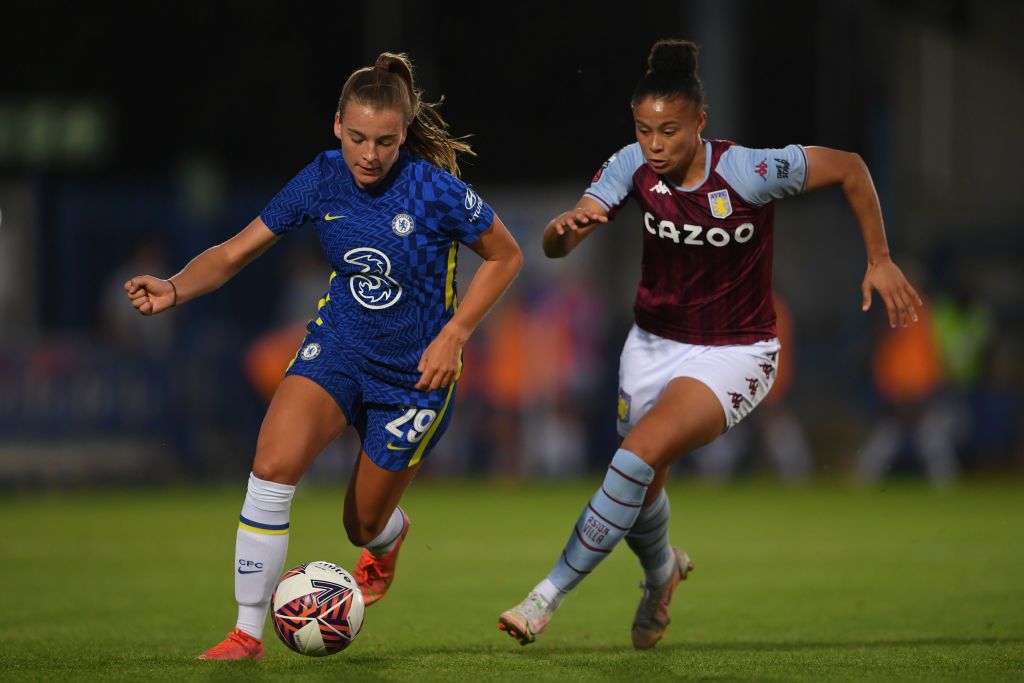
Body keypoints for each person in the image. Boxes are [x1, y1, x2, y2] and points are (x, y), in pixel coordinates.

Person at [497, 38, 921, 650]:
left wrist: (879, 259)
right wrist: (563, 233)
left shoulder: (749, 171)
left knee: (636, 455)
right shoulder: (630, 166)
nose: (655, 144)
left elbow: (851, 166)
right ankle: (662, 573)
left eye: (669, 130)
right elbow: (561, 239)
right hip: (650, 343)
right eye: (644, 130)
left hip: (735, 351)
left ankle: (546, 596)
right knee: (642, 484)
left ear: (701, 123)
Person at [125, 52, 522, 661]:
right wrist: (175, 287)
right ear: (338, 125)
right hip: (338, 347)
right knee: (271, 466)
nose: (370, 153)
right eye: (358, 137)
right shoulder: (321, 177)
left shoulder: (437, 191)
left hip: (415, 377)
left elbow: (506, 256)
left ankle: (387, 538)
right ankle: (246, 634)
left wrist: (456, 333)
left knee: (358, 525)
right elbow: (236, 252)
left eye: (386, 141)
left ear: (404, 134)